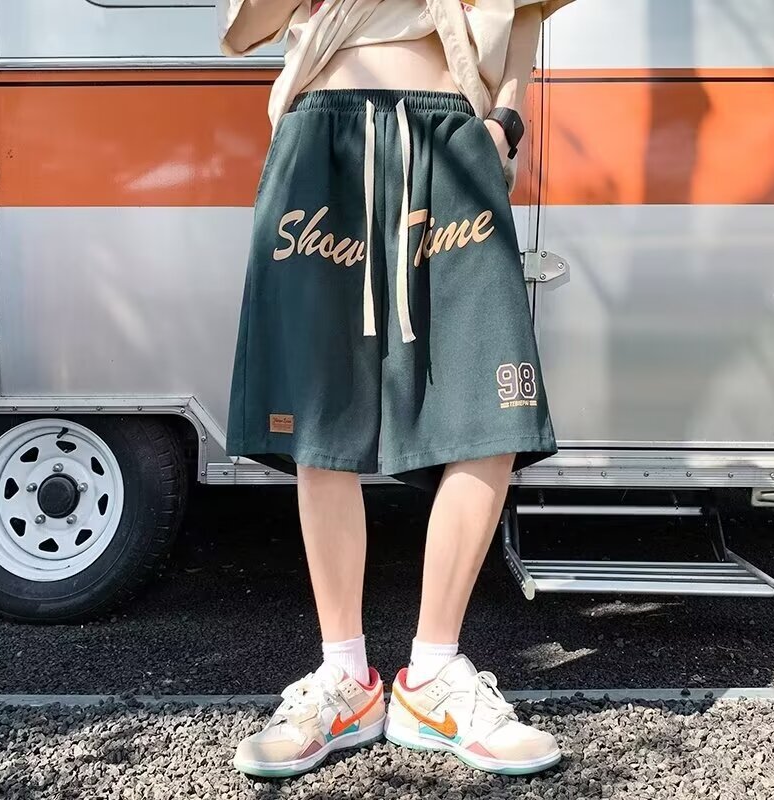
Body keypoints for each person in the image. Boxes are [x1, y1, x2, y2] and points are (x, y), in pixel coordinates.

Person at [217, 0, 573, 779]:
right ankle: (344, 677)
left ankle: (434, 678)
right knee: (321, 415)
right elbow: (247, 24)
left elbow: (525, 14)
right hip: (323, 134)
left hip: (454, 134)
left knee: (490, 406)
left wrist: (504, 125)